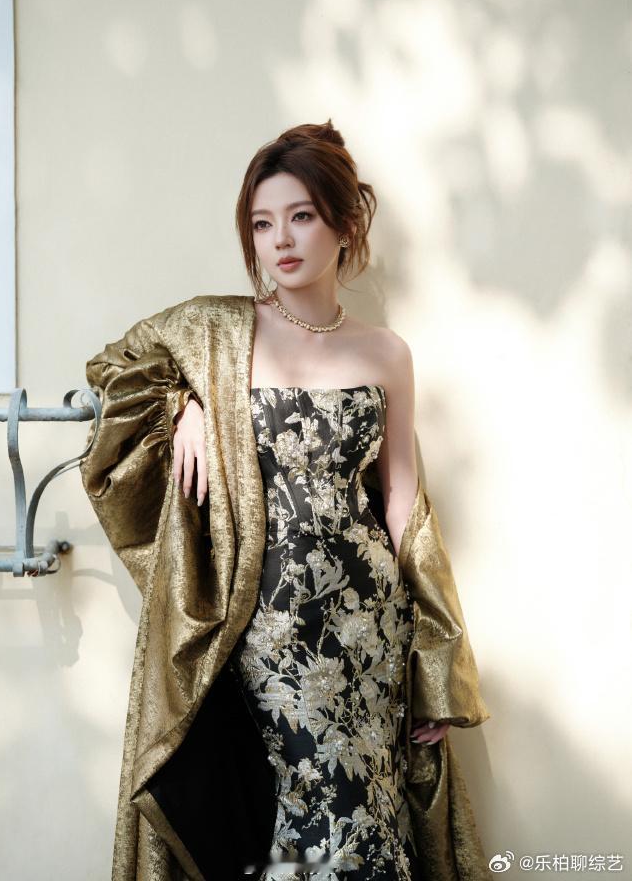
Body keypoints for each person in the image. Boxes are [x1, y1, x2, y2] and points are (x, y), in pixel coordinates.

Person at [80, 120, 491, 881]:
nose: (281, 240)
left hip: (370, 623)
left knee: (367, 809)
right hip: (264, 623)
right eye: (262, 224)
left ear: (345, 223)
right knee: (288, 819)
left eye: (301, 216)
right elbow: (112, 370)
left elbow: (403, 501)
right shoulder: (218, 333)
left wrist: (434, 656)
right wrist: (181, 404)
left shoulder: (386, 353)